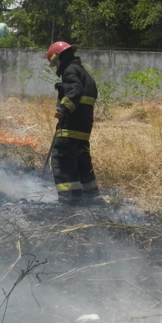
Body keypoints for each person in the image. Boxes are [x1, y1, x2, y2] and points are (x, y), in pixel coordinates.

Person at [46, 41, 103, 206]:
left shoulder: (70, 70)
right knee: (81, 161)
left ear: (60, 58)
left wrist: (63, 108)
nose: (56, 66)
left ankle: (68, 199)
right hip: (83, 128)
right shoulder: (84, 73)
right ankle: (91, 197)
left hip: (70, 127)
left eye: (55, 62)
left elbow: (74, 90)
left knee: (61, 158)